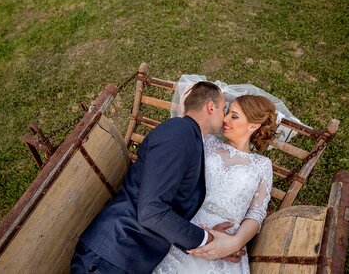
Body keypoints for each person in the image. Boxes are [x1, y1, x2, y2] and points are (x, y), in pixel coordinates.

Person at [70, 81, 229, 273]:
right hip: (113, 252)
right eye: (224, 109)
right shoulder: (179, 132)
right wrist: (210, 241)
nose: (225, 117)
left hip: (124, 257)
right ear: (211, 107)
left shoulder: (187, 135)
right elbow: (152, 211)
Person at [153, 94, 277, 273]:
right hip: (190, 225)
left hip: (227, 240)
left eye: (234, 116)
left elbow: (256, 213)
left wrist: (235, 242)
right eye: (226, 112)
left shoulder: (262, 165)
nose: (225, 119)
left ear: (253, 125)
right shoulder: (208, 142)